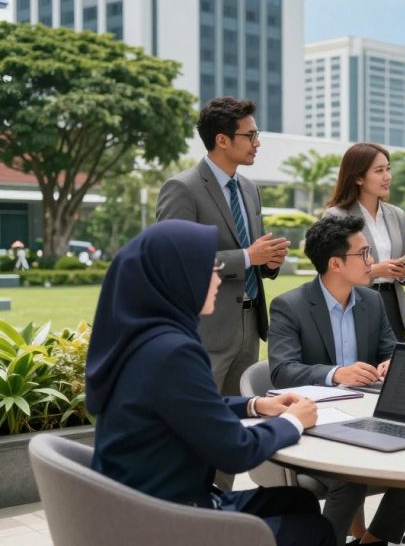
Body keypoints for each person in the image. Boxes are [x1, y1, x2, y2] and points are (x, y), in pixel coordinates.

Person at [86, 220, 334, 546]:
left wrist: (254, 405)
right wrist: (293, 422)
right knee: (316, 531)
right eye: (211, 268)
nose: (219, 278)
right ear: (176, 277)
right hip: (166, 522)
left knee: (297, 501)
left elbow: (188, 408)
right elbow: (234, 452)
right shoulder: (172, 353)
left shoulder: (141, 341)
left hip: (142, 504)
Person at [268, 215, 405, 546]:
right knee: (351, 473)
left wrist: (390, 364)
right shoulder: (289, 306)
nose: (372, 262)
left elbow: (392, 351)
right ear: (336, 264)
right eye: (364, 254)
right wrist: (335, 373)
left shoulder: (371, 301)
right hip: (314, 423)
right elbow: (281, 371)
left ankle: (374, 540)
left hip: (367, 417)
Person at [156, 97, 289, 396]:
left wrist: (267, 261)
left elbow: (253, 251)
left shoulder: (250, 189)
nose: (258, 143)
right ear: (222, 140)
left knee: (240, 418)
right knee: (199, 419)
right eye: (250, 135)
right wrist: (246, 257)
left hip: (250, 326)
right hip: (205, 331)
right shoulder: (182, 189)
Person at [323, 142, 405, 342]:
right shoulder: (336, 216)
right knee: (362, 369)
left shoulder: (397, 215)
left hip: (393, 304)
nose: (387, 176)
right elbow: (329, 270)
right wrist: (374, 270)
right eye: (379, 170)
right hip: (355, 303)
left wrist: (402, 273)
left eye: (388, 169)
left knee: (392, 369)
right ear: (358, 177)